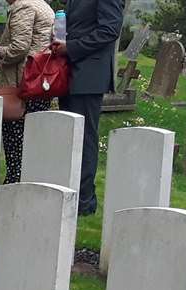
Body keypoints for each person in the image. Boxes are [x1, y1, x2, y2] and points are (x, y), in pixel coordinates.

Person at [55, 0, 126, 214]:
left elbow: (109, 29)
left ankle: (84, 201)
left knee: (84, 139)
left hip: (89, 75)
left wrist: (71, 47)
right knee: (71, 138)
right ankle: (69, 193)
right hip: (71, 72)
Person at [0, 0, 56, 183]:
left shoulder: (23, 7)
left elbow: (19, 48)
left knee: (16, 138)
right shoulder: (41, 4)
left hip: (22, 82)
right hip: (40, 80)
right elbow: (34, 40)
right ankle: (31, 180)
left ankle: (15, 183)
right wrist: (2, 44)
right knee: (33, 137)